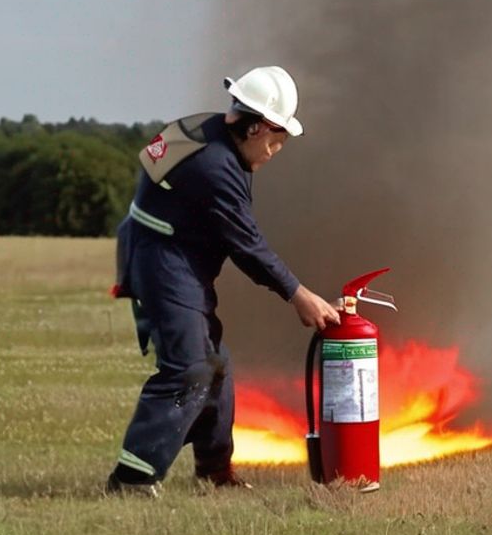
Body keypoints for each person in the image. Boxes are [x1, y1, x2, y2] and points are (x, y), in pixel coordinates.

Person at [106, 66, 339, 497]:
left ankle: (214, 472)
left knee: (216, 363)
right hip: (164, 258)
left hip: (165, 248)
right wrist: (298, 294)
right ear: (257, 126)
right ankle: (133, 479)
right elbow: (247, 245)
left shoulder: (206, 129)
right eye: (276, 139)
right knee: (189, 367)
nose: (275, 150)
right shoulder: (215, 165)